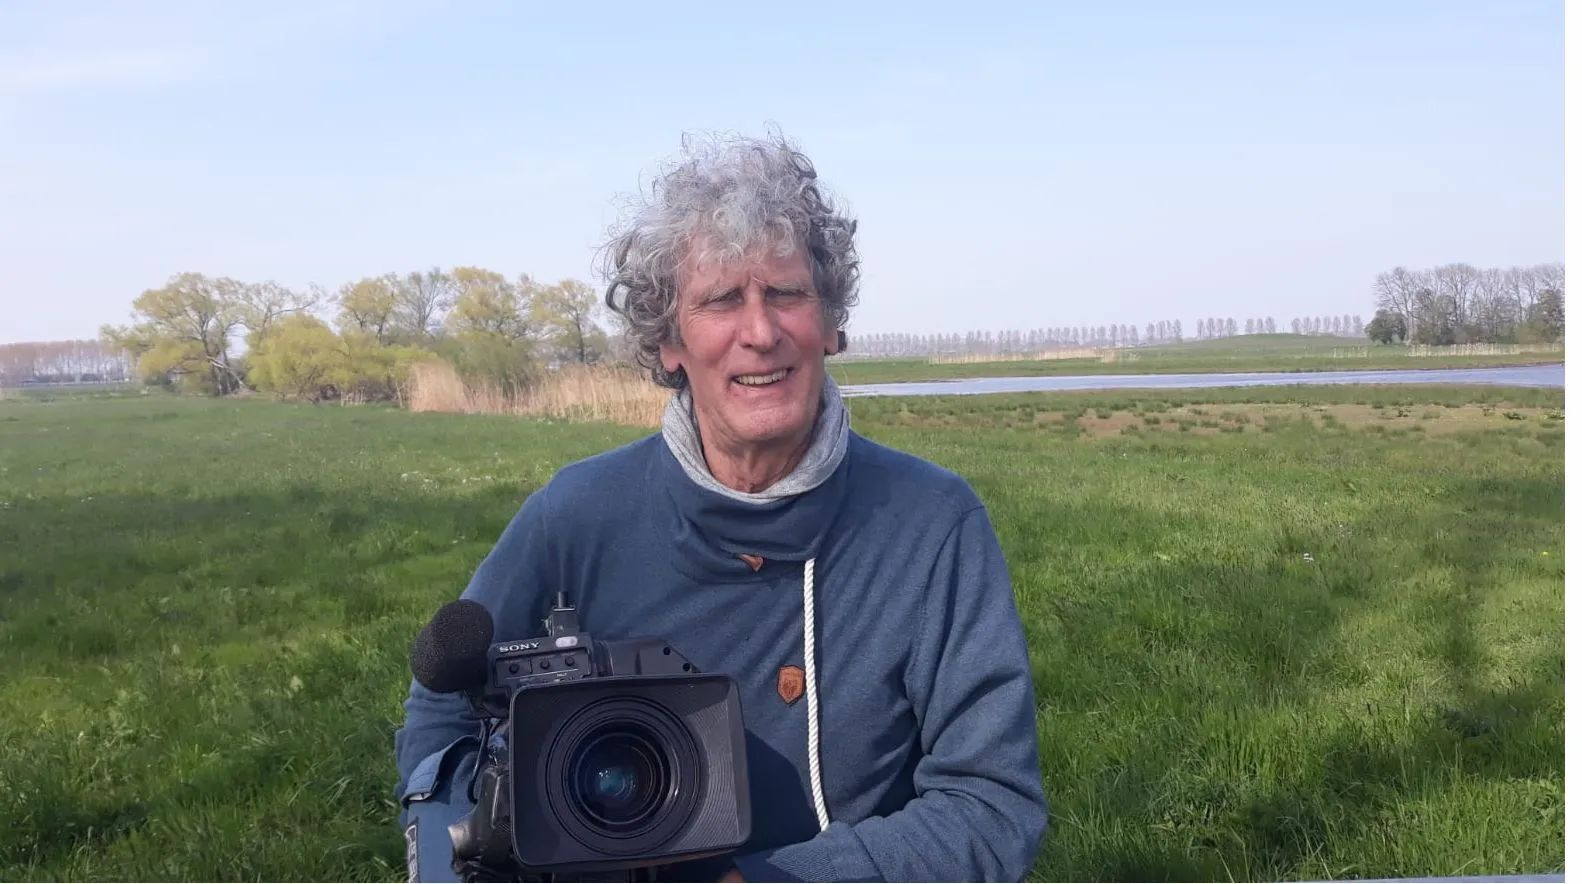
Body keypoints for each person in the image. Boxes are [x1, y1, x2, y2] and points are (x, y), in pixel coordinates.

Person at [392, 130, 1048, 882]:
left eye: (788, 294)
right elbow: (443, 708)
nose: (761, 332)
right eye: (722, 300)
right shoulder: (575, 515)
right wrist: (446, 856)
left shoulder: (932, 523)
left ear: (831, 324)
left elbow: (991, 802)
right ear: (670, 341)